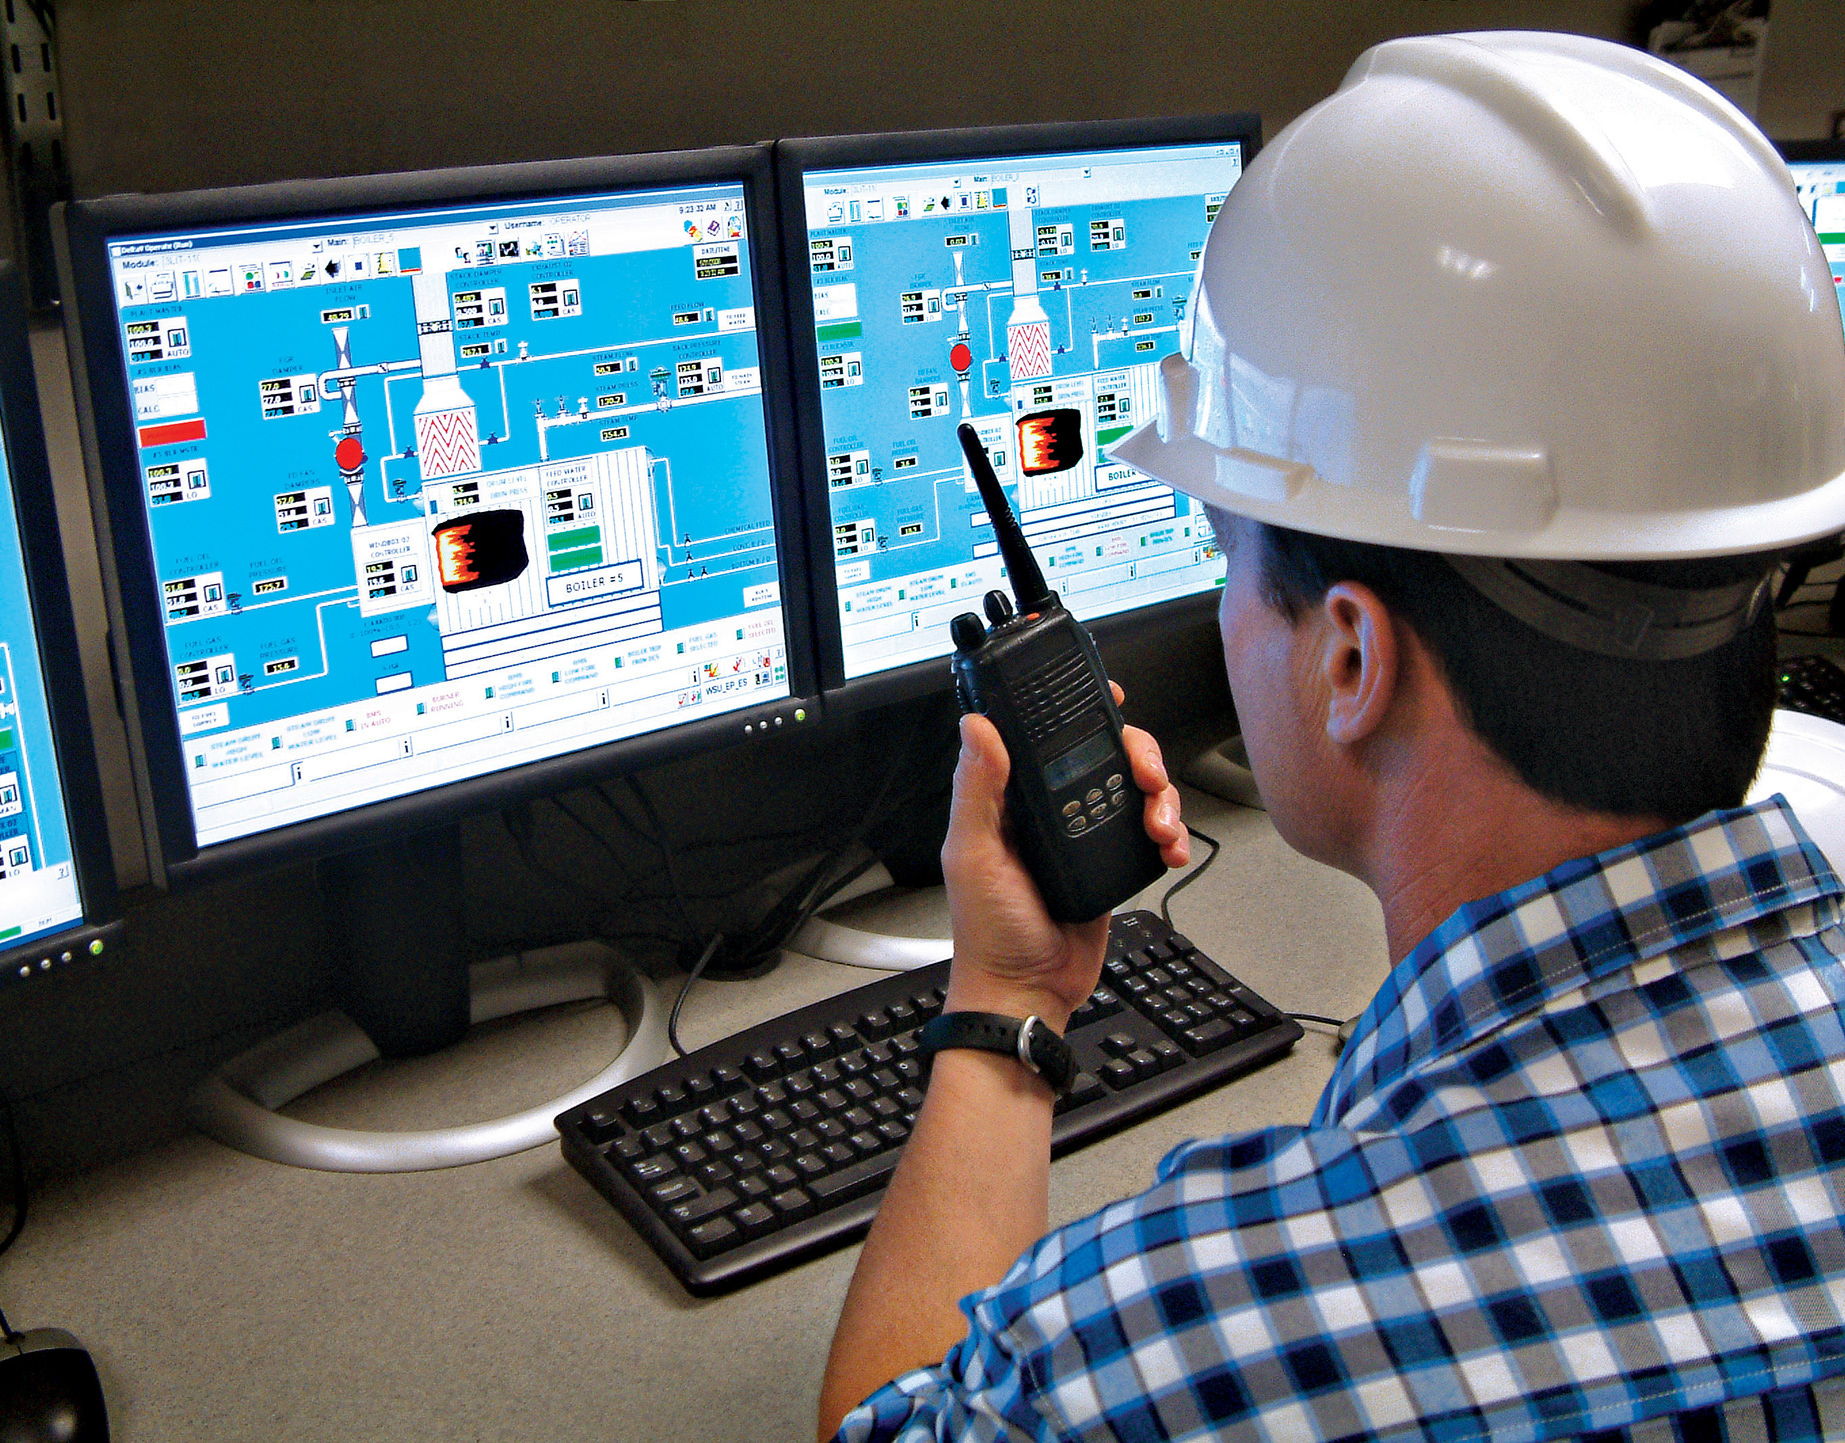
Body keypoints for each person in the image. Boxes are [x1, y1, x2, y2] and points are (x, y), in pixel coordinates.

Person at [817, 30, 1845, 1443]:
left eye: (1228, 552)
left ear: (1351, 658)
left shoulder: (1190, 1343)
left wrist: (1010, 1001)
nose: (1226, 606)